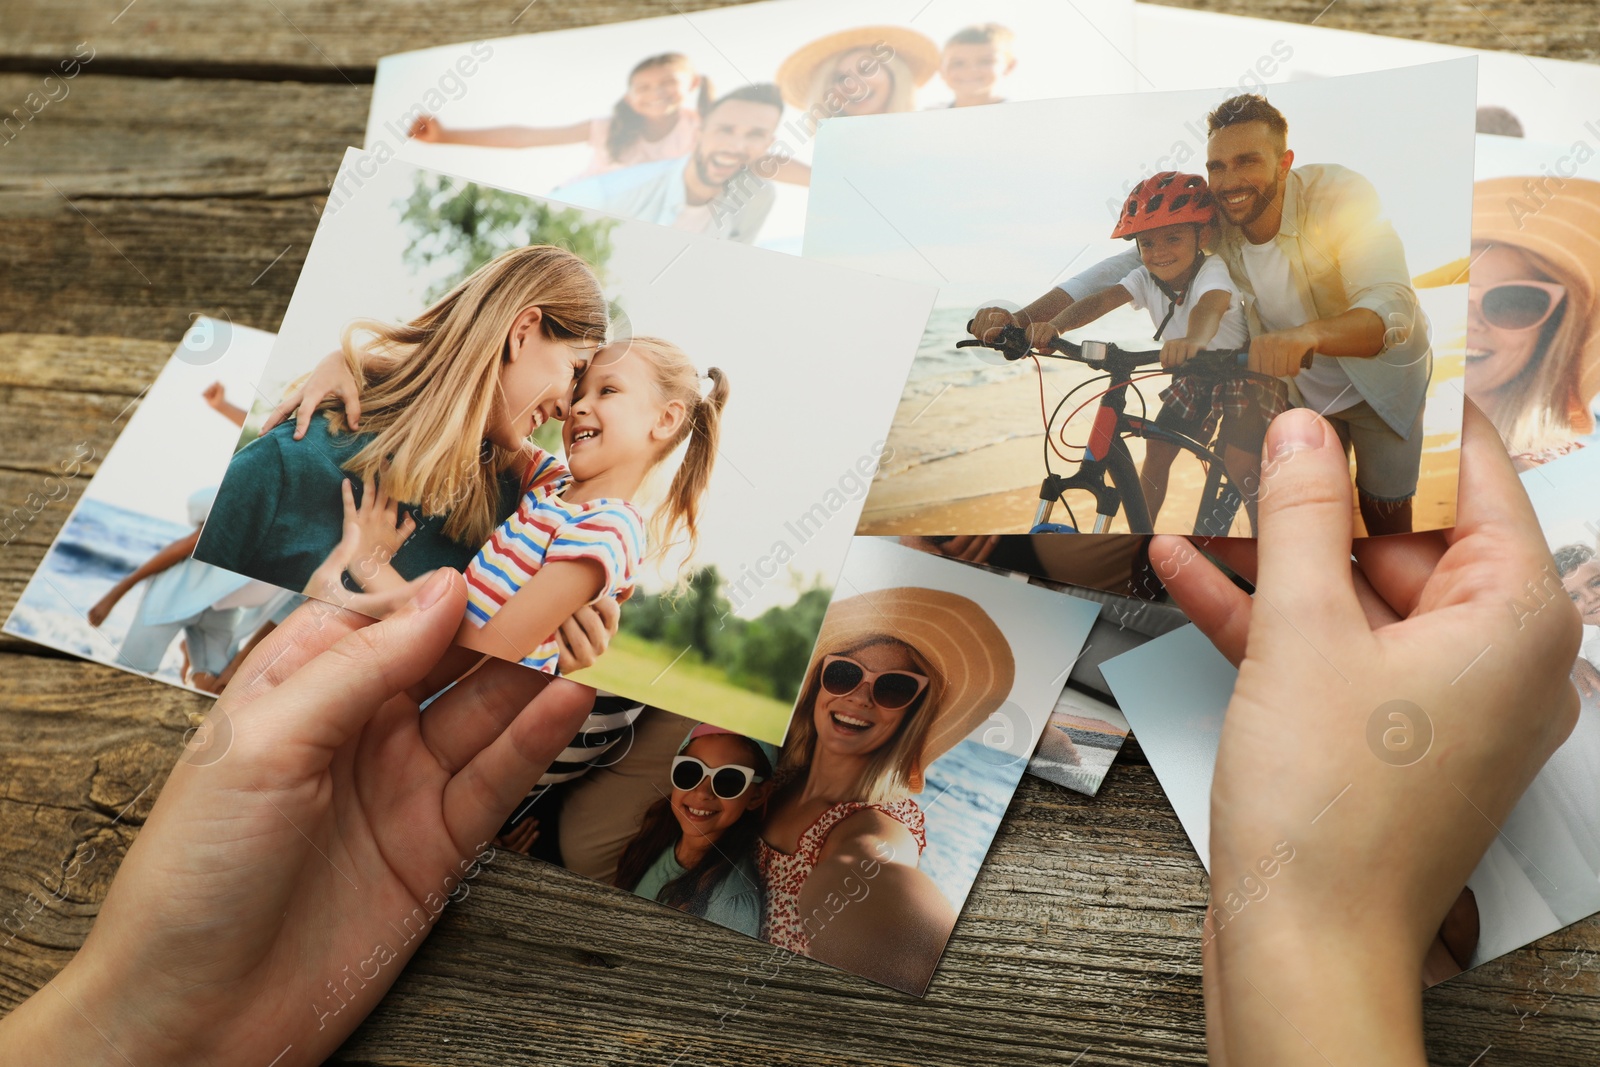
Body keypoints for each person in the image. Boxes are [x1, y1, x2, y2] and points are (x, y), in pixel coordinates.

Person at [0, 405, 1584, 1061]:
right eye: (854, 673)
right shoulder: (700, 770)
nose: (860, 692)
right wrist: (1319, 922)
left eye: (895, 685)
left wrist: (158, 1025)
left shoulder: (876, 854)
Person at [978, 93, 1433, 536]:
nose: (1229, 180)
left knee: (1385, 520)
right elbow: (1128, 267)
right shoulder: (1220, 217)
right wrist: (1021, 320)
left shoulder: (1337, 196)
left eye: (1247, 161)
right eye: (1217, 165)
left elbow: (1392, 308)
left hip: (1379, 386)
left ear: (1283, 162)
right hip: (1298, 389)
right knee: (1318, 515)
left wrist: (1306, 336)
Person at [334, 337, 728, 677]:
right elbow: (482, 409)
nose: (576, 408)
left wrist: (373, 568)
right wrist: (346, 362)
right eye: (579, 393)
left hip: (442, 694)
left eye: (607, 391)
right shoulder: (553, 485)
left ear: (666, 419)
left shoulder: (608, 528)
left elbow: (484, 651)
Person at [757, 586, 1014, 992]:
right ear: (818, 685)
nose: (859, 697)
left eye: (893, 687)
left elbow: (871, 874)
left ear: (914, 711)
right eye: (843, 673)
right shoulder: (770, 775)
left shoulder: (876, 832)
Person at [1022, 171, 1276, 534]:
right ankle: (1142, 536)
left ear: (1201, 236)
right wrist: (1056, 326)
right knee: (1156, 452)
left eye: (1173, 238)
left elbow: (1212, 305)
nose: (1159, 253)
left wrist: (1192, 340)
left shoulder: (1211, 269)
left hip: (1237, 374)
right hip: (1192, 374)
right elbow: (1102, 299)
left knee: (1240, 463)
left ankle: (1263, 539)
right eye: (1147, 243)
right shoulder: (1144, 276)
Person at [1431, 177, 1600, 468]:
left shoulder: (1575, 480)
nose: (1470, 322)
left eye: (1513, 302)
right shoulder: (1339, 445)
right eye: (1448, 292)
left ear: (1552, 327)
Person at [408, 53, 713, 181]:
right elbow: (525, 138)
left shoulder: (702, 127)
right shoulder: (608, 128)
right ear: (629, 97)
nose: (655, 93)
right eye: (643, 87)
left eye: (668, 82)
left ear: (692, 84)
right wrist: (446, 137)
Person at [548, 84, 785, 244]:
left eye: (755, 134)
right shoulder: (612, 194)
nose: (736, 146)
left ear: (768, 143)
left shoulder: (758, 196)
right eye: (725, 129)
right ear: (698, 132)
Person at [612, 724, 775, 937]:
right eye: (690, 771)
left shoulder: (730, 904)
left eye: (728, 780)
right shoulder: (652, 842)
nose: (702, 792)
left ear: (756, 796)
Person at [776, 25, 940, 133]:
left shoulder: (933, 133)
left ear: (894, 75)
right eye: (840, 78)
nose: (852, 85)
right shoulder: (830, 154)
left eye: (866, 70)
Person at [934, 23, 1015, 109]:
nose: (970, 70)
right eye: (958, 63)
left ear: (1009, 66)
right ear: (941, 69)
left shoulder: (1018, 115)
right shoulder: (930, 116)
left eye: (985, 61)